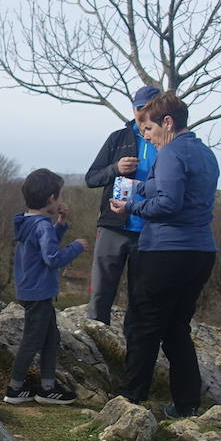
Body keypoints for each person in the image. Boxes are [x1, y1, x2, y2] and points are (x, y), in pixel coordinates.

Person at [109, 92, 219, 418]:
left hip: (166, 251)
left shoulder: (171, 152)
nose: (149, 138)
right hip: (200, 250)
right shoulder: (204, 153)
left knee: (143, 323)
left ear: (167, 123)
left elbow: (169, 203)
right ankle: (186, 404)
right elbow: (174, 189)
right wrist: (139, 186)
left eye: (151, 129)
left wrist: (131, 206)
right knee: (176, 328)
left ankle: (131, 398)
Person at [3, 168, 88, 405]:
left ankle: (47, 388)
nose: (61, 201)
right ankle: (15, 387)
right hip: (39, 292)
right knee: (32, 340)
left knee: (51, 339)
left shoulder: (29, 221)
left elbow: (44, 246)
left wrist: (61, 222)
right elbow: (52, 258)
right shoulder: (41, 225)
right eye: (59, 196)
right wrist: (76, 247)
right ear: (51, 198)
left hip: (33, 290)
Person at [85, 85, 162, 324]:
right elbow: (91, 178)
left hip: (152, 229)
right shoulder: (118, 138)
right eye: (139, 108)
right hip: (113, 226)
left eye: (148, 107)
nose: (142, 113)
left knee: (143, 297)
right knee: (100, 293)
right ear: (133, 109)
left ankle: (135, 352)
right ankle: (94, 347)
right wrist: (115, 169)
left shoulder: (167, 142)